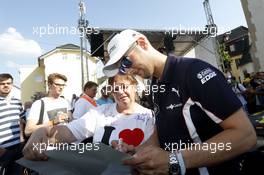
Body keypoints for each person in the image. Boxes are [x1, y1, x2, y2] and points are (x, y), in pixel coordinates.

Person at [102, 29, 257, 175]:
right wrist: (137, 153)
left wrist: (175, 159)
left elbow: (246, 135)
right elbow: (161, 131)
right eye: (120, 69)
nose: (127, 71)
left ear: (142, 43)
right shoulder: (154, 85)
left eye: (126, 62)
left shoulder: (194, 72)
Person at [23, 74, 154, 162]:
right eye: (115, 89)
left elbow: (155, 152)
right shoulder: (99, 113)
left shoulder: (150, 117)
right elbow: (68, 132)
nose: (120, 92)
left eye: (124, 87)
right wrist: (43, 132)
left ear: (135, 88)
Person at [0, 73, 25, 175]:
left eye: (8, 83)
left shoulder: (17, 102)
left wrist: (22, 139)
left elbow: (22, 121)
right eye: (2, 83)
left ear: (12, 84)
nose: (6, 85)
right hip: (2, 149)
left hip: (18, 147)